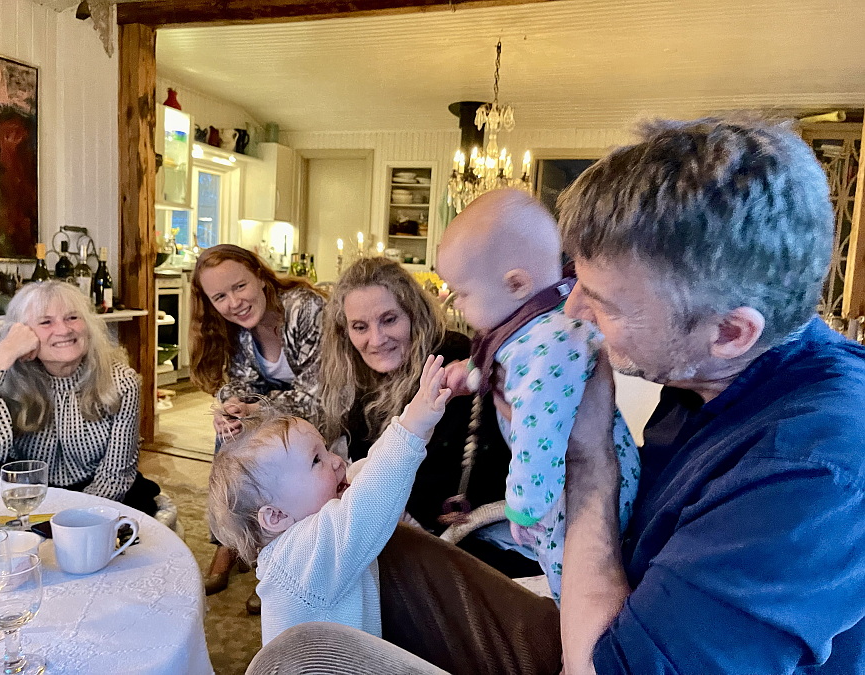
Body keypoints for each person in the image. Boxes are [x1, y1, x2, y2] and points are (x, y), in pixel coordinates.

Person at [245, 116, 865, 675]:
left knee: (301, 655)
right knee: (363, 562)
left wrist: (588, 458)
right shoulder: (714, 370)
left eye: (605, 302)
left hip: (604, 650)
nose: (572, 310)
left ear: (729, 332)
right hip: (614, 600)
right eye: (575, 281)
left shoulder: (811, 472)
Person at [436, 189, 640, 602]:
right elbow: (506, 362)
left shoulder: (547, 346)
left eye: (462, 293)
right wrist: (470, 375)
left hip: (570, 489)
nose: (454, 303)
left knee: (569, 567)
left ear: (516, 284)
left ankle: (573, 619)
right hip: (563, 478)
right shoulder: (536, 327)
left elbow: (537, 431)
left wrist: (524, 506)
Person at [208, 356, 450, 646]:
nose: (336, 460)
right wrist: (412, 429)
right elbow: (370, 500)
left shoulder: (309, 522)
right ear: (276, 516)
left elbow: (369, 473)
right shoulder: (302, 555)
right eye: (316, 460)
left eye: (325, 449)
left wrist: (416, 416)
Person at [320, 257, 538, 577]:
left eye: (389, 319)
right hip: (415, 540)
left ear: (413, 313)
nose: (376, 340)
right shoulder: (360, 380)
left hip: (484, 542)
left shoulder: (453, 363)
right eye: (360, 327)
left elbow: (434, 479)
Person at [189, 243, 327, 599]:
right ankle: (231, 539)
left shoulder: (305, 309)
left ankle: (276, 556)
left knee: (265, 440)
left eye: (240, 286)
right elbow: (238, 385)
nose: (234, 302)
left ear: (261, 277)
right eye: (220, 297)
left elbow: (319, 398)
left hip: (327, 412)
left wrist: (254, 410)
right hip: (281, 412)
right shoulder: (235, 327)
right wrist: (230, 409)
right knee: (230, 432)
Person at [0, 280, 159, 515]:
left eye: (72, 318)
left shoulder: (121, 381)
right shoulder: (6, 379)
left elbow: (115, 474)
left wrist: (73, 517)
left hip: (96, 494)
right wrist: (1, 356)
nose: (64, 330)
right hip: (26, 494)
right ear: (20, 333)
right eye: (46, 322)